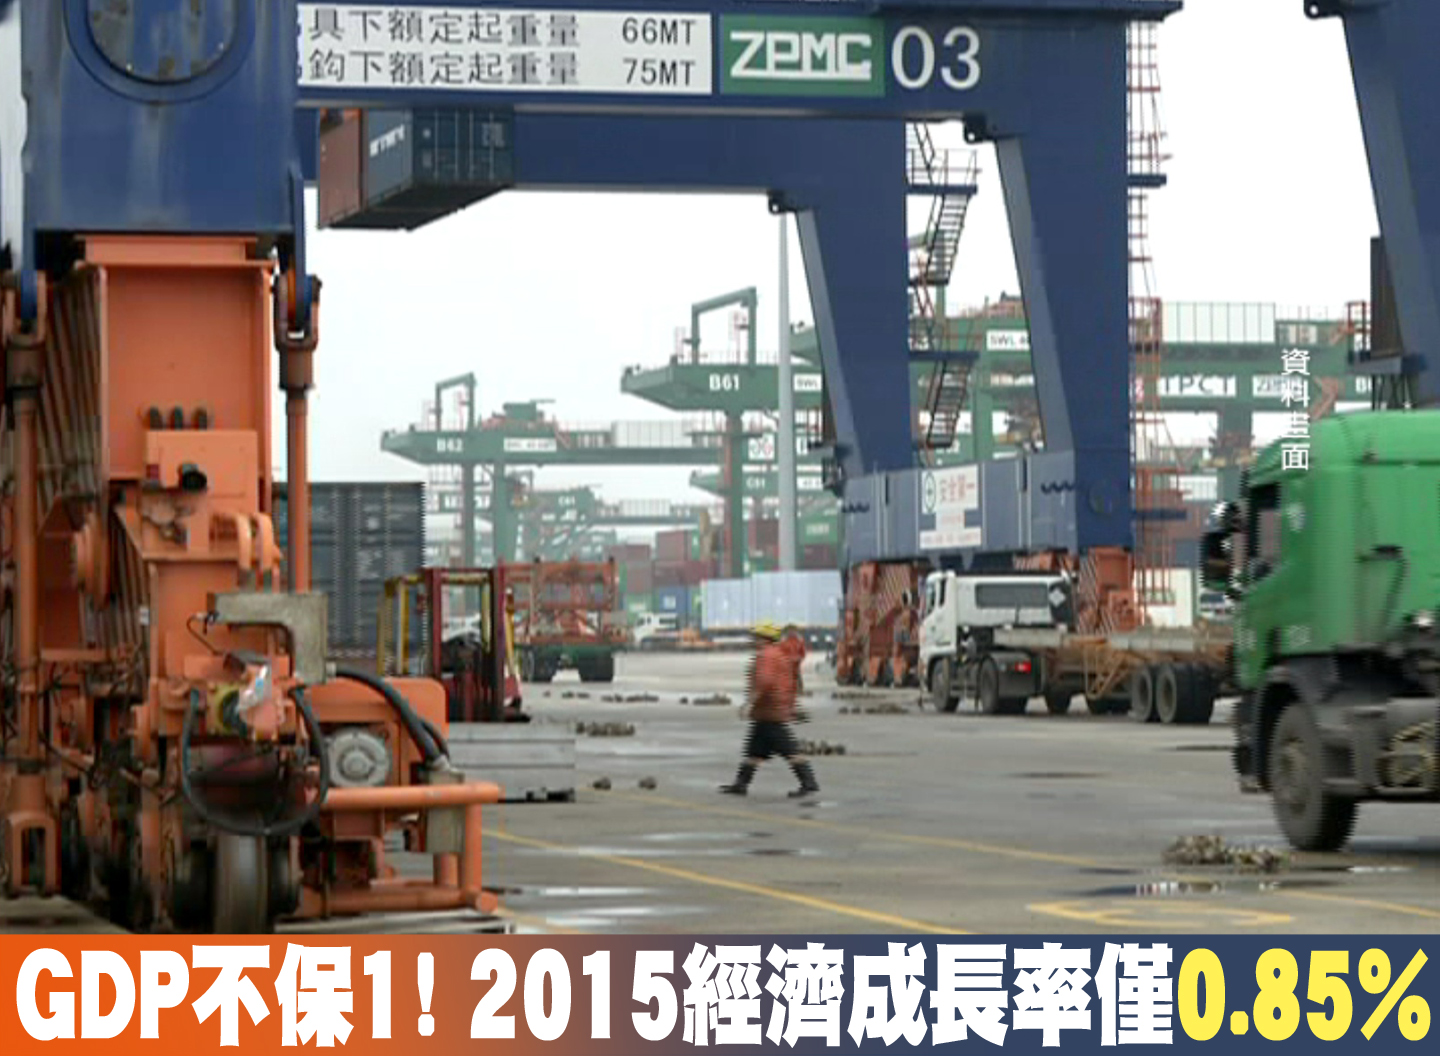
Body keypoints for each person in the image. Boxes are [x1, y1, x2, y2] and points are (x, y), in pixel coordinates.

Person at [720, 621, 820, 798]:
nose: (753, 640)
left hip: (770, 711)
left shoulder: (767, 655)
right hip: (769, 710)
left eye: (756, 637)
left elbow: (764, 681)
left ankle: (809, 782)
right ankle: (741, 784)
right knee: (754, 750)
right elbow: (791, 681)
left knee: (789, 750)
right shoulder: (778, 654)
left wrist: (749, 703)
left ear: (764, 638)